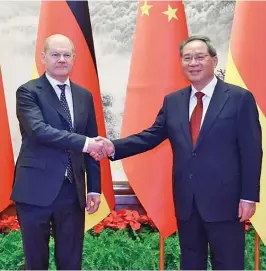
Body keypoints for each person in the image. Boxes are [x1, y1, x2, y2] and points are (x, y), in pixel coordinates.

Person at [91, 35, 263, 270]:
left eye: (200, 57)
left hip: (227, 202)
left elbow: (252, 150)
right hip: (187, 201)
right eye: (187, 58)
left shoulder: (239, 98)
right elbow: (151, 136)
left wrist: (248, 197)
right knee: (190, 263)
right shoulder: (174, 101)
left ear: (214, 60)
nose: (193, 62)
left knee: (229, 264)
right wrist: (113, 147)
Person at [11, 34, 106, 270]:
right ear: (43, 57)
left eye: (66, 54)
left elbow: (92, 143)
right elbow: (39, 130)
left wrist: (94, 187)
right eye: (55, 54)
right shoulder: (28, 92)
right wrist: (85, 143)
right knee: (35, 262)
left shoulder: (85, 95)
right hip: (34, 190)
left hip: (71, 192)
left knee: (71, 262)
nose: (61, 59)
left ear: (74, 58)